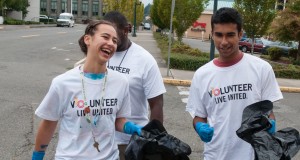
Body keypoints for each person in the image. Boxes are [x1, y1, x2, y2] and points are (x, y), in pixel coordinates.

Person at [32, 20, 142, 160]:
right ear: (87, 39)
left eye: (115, 40)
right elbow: (48, 125)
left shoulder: (121, 82)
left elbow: (118, 121)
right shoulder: (62, 83)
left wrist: (131, 128)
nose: (111, 43)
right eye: (105, 37)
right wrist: (37, 156)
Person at [186, 7, 283, 160]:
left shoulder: (261, 69)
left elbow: (268, 112)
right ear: (212, 35)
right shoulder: (202, 75)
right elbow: (199, 116)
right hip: (216, 155)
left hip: (253, 155)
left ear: (240, 34)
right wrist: (199, 127)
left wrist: (271, 123)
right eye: (219, 35)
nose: (224, 42)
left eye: (230, 35)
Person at [103, 11, 166, 159]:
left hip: (131, 142)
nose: (109, 41)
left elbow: (156, 103)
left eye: (114, 35)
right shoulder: (101, 55)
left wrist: (152, 141)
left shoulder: (144, 60)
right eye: (105, 36)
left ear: (126, 30)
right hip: (101, 139)